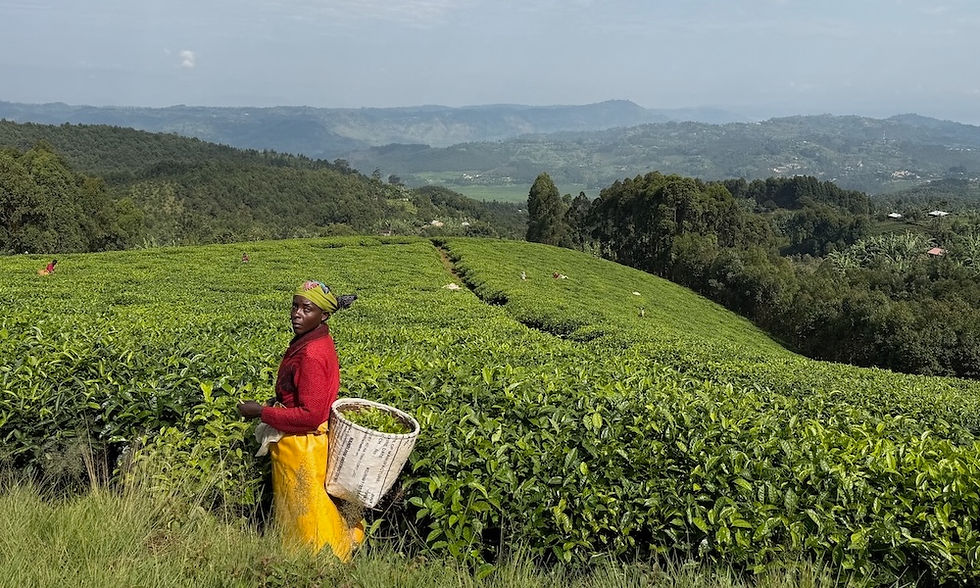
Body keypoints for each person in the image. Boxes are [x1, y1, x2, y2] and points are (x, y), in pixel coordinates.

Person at [238, 280, 361, 560]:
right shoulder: (314, 340)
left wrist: (260, 411)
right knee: (305, 508)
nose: (297, 313)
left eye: (307, 309)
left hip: (303, 446)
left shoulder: (311, 354)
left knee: (306, 512)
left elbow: (310, 415)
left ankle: (320, 561)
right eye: (295, 306)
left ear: (324, 315)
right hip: (303, 443)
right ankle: (321, 554)